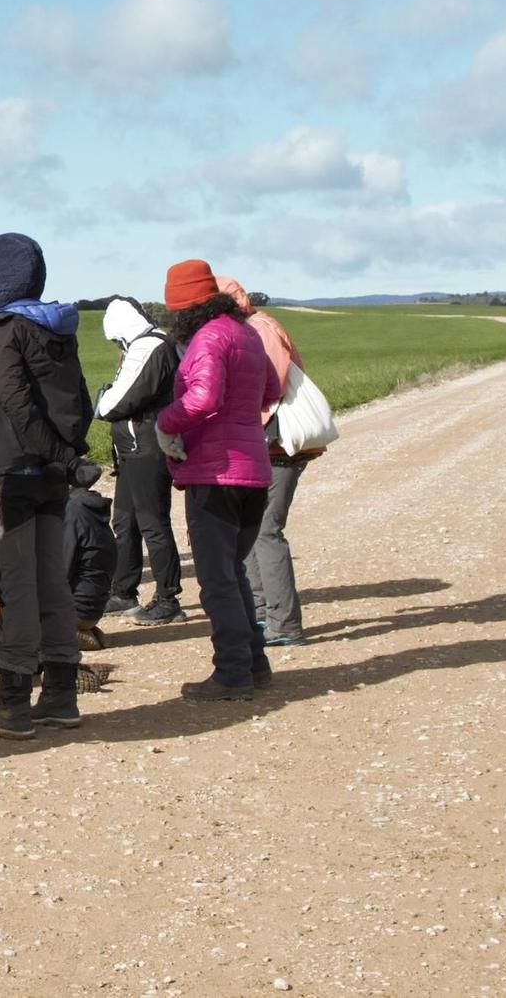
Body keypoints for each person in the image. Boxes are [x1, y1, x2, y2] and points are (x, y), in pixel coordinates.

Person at [0, 233, 94, 741]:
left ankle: (14, 704)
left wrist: (54, 455)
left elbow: (16, 404)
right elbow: (78, 400)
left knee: (16, 588)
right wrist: (65, 458)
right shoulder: (56, 325)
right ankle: (61, 695)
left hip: (13, 470)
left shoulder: (0, 330)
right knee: (52, 583)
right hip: (52, 476)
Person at [158, 262, 281, 701]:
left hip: (216, 471)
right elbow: (270, 390)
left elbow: (204, 397)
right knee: (233, 574)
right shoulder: (246, 332)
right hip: (253, 469)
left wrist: (166, 422)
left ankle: (231, 673)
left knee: (216, 579)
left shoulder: (209, 337)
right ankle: (254, 663)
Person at [222, 276, 311, 647]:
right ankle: (261, 610)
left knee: (265, 531)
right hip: (264, 444)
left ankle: (284, 624)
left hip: (276, 445)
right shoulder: (253, 327)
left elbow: (269, 386)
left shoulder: (260, 328)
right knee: (252, 529)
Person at [94, 296, 184, 624]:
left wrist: (104, 401)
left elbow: (116, 402)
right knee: (126, 521)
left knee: (152, 522)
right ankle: (123, 592)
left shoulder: (148, 347)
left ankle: (168, 597)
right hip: (136, 448)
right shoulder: (150, 344)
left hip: (147, 448)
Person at [64, 459, 119, 650]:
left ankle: (65, 633)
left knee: (9, 618)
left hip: (77, 609)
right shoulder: (89, 507)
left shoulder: (70, 512)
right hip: (92, 608)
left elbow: (61, 570)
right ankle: (85, 631)